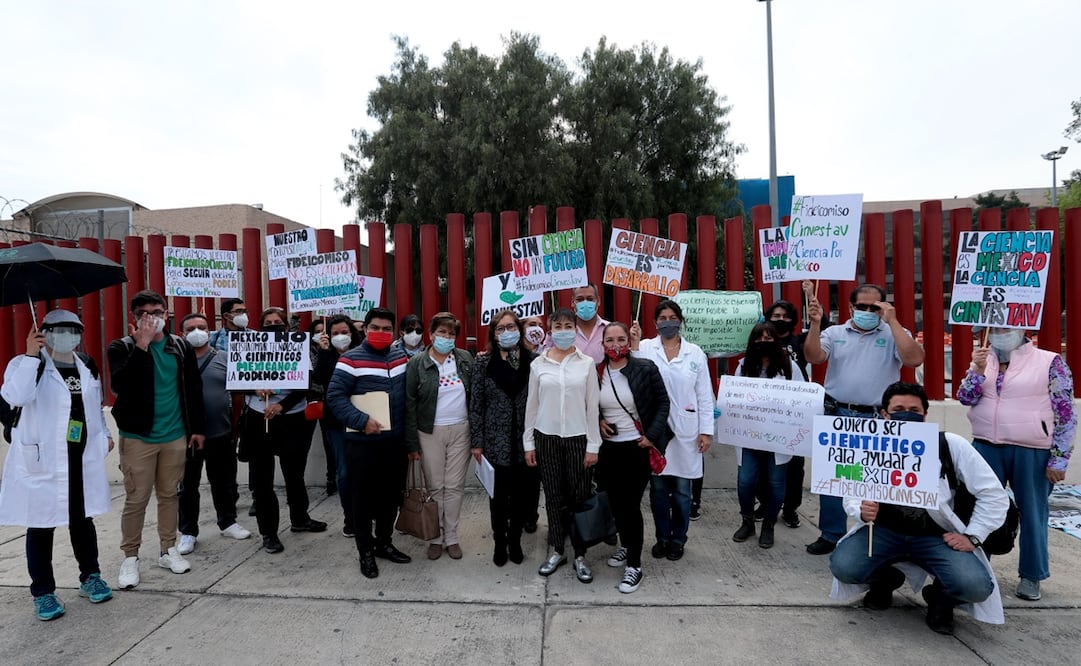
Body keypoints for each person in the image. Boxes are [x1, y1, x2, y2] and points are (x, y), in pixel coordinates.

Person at [830, 382, 1008, 635]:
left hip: (936, 537)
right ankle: (883, 581)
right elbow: (852, 487)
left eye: (914, 409)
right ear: (884, 415)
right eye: (898, 409)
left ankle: (941, 600)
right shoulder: (868, 444)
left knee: (975, 586)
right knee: (844, 566)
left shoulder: (950, 445)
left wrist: (973, 535)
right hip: (883, 532)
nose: (907, 414)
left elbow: (993, 494)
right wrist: (860, 510)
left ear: (925, 415)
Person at [0, 310, 115, 620]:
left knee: (82, 520)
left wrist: (104, 435)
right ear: (45, 332)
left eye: (74, 330)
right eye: (60, 330)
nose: (68, 336)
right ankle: (43, 592)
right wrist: (30, 355)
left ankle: (90, 577)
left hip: (80, 457)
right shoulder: (25, 364)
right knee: (41, 525)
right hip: (44, 459)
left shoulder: (85, 365)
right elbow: (15, 396)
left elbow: (94, 405)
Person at [803, 283, 925, 555]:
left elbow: (914, 359)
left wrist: (892, 322)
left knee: (875, 479)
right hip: (838, 413)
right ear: (851, 308)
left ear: (884, 307)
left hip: (877, 418)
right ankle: (831, 533)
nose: (868, 311)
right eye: (862, 307)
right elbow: (813, 356)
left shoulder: (895, 332)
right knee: (835, 478)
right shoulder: (834, 332)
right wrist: (814, 325)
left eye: (875, 307)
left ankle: (877, 532)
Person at [958, 327, 1076, 601]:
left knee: (1033, 513)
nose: (1000, 333)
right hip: (986, 446)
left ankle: (1032, 575)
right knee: (976, 509)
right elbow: (966, 398)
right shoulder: (983, 359)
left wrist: (1060, 457)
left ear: (1024, 329)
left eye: (1007, 328)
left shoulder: (1049, 361)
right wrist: (975, 370)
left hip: (1032, 449)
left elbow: (1066, 412)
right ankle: (978, 567)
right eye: (995, 328)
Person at [108, 290, 205, 588]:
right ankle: (130, 557)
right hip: (139, 437)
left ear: (167, 312)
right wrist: (142, 345)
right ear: (134, 318)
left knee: (169, 495)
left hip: (175, 434)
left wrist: (196, 428)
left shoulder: (180, 346)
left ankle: (168, 549)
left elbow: (192, 388)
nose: (153, 318)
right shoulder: (121, 347)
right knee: (137, 498)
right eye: (145, 314)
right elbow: (121, 386)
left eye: (158, 312)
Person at [326, 307, 412, 579]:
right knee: (361, 500)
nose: (381, 333)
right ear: (364, 329)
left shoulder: (401, 357)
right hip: (361, 443)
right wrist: (361, 420)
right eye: (375, 327)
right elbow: (335, 397)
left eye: (387, 329)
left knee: (391, 497)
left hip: (394, 443)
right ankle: (365, 551)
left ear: (393, 332)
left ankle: (384, 542)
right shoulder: (350, 360)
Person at [629, 300, 713, 562]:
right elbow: (632, 380)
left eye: (673, 317)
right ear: (655, 323)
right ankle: (662, 537)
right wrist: (633, 344)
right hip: (657, 433)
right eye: (663, 318)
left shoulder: (695, 353)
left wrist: (706, 432)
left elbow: (704, 395)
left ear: (681, 320)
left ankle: (678, 539)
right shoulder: (644, 348)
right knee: (658, 491)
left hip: (687, 432)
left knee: (682, 492)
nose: (668, 322)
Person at [524, 308, 602, 583]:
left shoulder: (587, 363)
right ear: (550, 329)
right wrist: (528, 442)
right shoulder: (538, 364)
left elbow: (593, 408)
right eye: (558, 326)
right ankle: (558, 549)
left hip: (579, 438)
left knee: (579, 496)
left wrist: (593, 446)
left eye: (569, 325)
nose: (564, 331)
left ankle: (580, 553)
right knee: (554, 496)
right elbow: (532, 406)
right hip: (546, 437)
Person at [241, 307, 327, 555]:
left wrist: (282, 405)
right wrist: (254, 389)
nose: (273, 325)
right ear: (260, 326)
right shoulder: (249, 348)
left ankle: (300, 518)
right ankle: (268, 532)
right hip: (259, 418)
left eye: (277, 322)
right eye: (267, 322)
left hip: (291, 418)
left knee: (294, 473)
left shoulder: (297, 349)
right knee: (262, 478)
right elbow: (236, 382)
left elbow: (305, 385)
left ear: (286, 327)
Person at [597, 322, 670, 593]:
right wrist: (600, 419)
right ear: (602, 344)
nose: (615, 344)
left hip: (637, 446)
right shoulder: (597, 372)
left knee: (630, 505)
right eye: (609, 340)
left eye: (620, 339)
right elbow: (590, 404)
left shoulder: (645, 368)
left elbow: (663, 403)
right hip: (610, 449)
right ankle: (626, 545)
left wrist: (652, 435)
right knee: (616, 504)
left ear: (629, 340)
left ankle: (635, 566)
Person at [175, 314, 251, 556]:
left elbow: (238, 394)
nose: (197, 331)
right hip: (186, 436)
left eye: (202, 327)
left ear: (210, 331)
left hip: (221, 432)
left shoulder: (225, 359)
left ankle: (228, 522)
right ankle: (188, 531)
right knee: (188, 485)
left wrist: (236, 425)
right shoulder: (175, 361)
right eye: (191, 328)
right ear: (181, 334)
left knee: (224, 481)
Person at [469, 310, 536, 566]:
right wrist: (477, 441)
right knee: (498, 497)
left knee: (520, 496)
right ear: (493, 334)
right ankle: (499, 541)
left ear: (519, 330)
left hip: (524, 441)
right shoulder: (482, 363)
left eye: (511, 327)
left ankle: (515, 539)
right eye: (500, 328)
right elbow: (476, 404)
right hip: (494, 440)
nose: (506, 332)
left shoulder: (533, 361)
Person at [405, 312, 474, 561]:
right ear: (431, 334)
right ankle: (435, 537)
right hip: (429, 431)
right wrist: (412, 442)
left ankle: (452, 537)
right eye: (442, 332)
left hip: (461, 429)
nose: (447, 337)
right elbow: (410, 404)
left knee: (454, 486)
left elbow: (475, 396)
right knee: (435, 487)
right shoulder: (417, 363)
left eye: (451, 333)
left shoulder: (465, 359)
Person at [730, 322, 805, 548]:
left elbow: (802, 400)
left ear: (776, 341)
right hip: (749, 438)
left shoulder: (790, 368)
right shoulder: (743, 366)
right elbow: (734, 399)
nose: (764, 342)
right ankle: (748, 520)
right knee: (746, 482)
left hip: (779, 440)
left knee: (775, 483)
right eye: (759, 338)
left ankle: (769, 525)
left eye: (769, 338)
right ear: (752, 342)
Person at [756, 299, 810, 528]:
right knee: (761, 464)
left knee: (794, 467)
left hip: (793, 415)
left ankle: (790, 508)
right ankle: (766, 503)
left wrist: (810, 298)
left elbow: (821, 332)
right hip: (764, 415)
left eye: (785, 316)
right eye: (775, 315)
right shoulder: (760, 343)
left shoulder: (800, 342)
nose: (780, 320)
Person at [310, 315, 363, 536]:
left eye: (345, 332)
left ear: (352, 333)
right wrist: (323, 352)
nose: (340, 337)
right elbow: (320, 379)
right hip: (336, 422)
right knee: (344, 472)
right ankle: (350, 518)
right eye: (335, 334)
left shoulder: (364, 353)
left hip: (363, 418)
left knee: (364, 470)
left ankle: (364, 514)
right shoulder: (326, 355)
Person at [518, 314, 547, 532]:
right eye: (531, 325)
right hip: (517, 421)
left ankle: (530, 515)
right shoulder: (512, 355)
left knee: (533, 474)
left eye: (539, 325)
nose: (536, 328)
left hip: (541, 422)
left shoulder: (547, 355)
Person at [307, 318, 338, 496]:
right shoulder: (308, 351)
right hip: (313, 399)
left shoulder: (334, 352)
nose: (321, 334)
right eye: (318, 331)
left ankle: (334, 476)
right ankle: (330, 477)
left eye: (324, 331)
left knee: (333, 442)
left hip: (330, 400)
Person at [571, 284, 608, 363]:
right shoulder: (563, 332)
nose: (585, 303)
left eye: (590, 299)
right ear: (573, 302)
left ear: (598, 301)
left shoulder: (610, 329)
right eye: (580, 299)